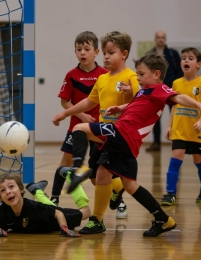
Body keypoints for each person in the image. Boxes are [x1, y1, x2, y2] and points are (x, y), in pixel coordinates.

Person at [52, 52, 201, 236]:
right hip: (124, 137)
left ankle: (78, 168)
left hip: (123, 133)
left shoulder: (160, 89)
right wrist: (121, 107)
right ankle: (164, 219)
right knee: (126, 183)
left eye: (142, 74)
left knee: (80, 128)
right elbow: (137, 105)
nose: (139, 78)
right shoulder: (145, 92)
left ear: (156, 74)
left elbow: (179, 98)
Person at [56, 31, 140, 221]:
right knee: (97, 179)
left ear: (124, 54)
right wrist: (65, 113)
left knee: (104, 174)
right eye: (105, 53)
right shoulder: (103, 79)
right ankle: (115, 190)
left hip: (119, 134)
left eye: (110, 53)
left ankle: (97, 219)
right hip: (101, 132)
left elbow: (142, 101)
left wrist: (129, 97)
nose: (106, 57)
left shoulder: (131, 77)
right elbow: (88, 102)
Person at [50, 31, 108, 205]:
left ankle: (118, 199)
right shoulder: (71, 75)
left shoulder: (105, 75)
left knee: (99, 173)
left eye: (87, 49)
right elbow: (64, 102)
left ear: (96, 52)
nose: (82, 52)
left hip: (99, 128)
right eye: (79, 49)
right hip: (76, 127)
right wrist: (81, 115)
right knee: (66, 162)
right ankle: (54, 197)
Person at [161, 47, 201, 206]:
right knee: (175, 158)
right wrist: (169, 126)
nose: (186, 61)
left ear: (199, 64)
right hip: (179, 130)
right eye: (183, 58)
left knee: (198, 160)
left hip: (197, 131)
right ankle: (170, 193)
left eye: (190, 58)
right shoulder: (176, 83)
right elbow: (174, 106)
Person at [0, 172, 91, 237]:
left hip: (56, 220)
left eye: (11, 187)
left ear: (21, 189)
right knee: (47, 207)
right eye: (3, 190)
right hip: (45, 210)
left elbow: (58, 213)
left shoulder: (33, 208)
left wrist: (64, 228)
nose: (8, 192)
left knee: (86, 212)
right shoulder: (4, 210)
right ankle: (37, 190)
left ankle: (71, 177)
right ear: (0, 197)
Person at [146, 30, 183, 151]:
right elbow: (146, 74)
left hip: (171, 90)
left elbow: (180, 71)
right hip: (157, 91)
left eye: (162, 37)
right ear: (155, 39)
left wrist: (175, 86)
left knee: (176, 116)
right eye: (158, 37)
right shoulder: (149, 55)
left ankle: (177, 141)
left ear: (165, 39)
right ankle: (156, 143)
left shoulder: (173, 54)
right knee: (155, 118)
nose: (160, 39)